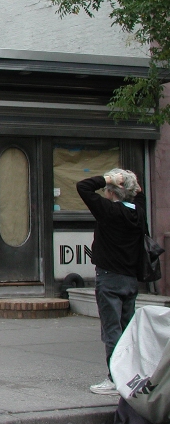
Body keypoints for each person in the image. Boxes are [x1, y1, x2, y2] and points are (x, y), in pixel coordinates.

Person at [77, 168, 146, 396]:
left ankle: (115, 378)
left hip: (109, 278)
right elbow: (139, 194)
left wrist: (108, 178)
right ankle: (130, 375)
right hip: (130, 279)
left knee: (112, 331)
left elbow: (83, 186)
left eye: (107, 188)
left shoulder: (109, 211)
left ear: (111, 191)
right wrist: (128, 183)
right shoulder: (138, 211)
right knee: (126, 330)